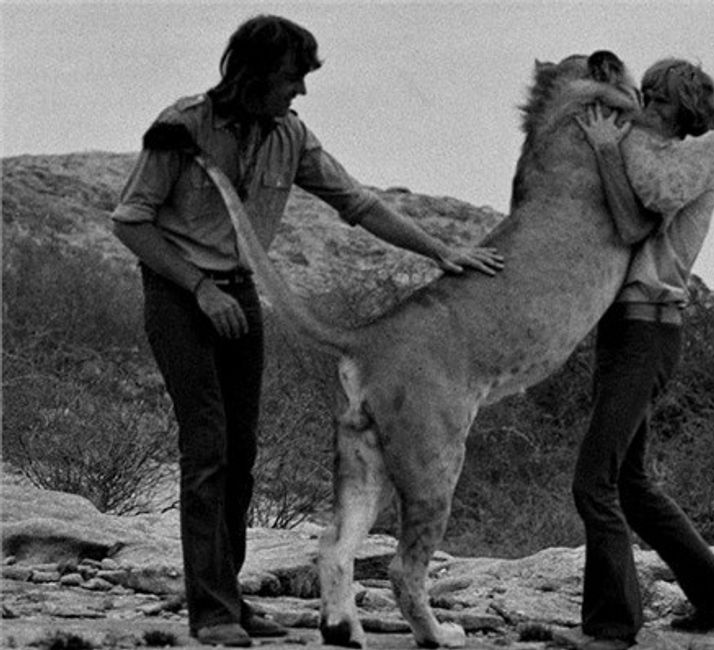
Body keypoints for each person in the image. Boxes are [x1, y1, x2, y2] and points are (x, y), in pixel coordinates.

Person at [110, 15, 503, 647]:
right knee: (206, 444)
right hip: (182, 297)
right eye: (293, 78)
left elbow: (358, 203)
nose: (300, 92)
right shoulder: (180, 128)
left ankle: (229, 600)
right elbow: (130, 223)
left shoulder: (292, 135)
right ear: (255, 73)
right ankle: (209, 612)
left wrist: (441, 252)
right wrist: (200, 287)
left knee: (240, 454)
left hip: (238, 296)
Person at [568, 59, 714, 650]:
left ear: (687, 111)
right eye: (643, 95)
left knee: (593, 481)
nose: (645, 106)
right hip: (625, 328)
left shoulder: (700, 154)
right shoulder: (665, 157)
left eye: (660, 101)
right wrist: (604, 152)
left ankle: (612, 628)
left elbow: (645, 197)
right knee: (631, 484)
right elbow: (628, 223)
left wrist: (617, 145)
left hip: (649, 329)